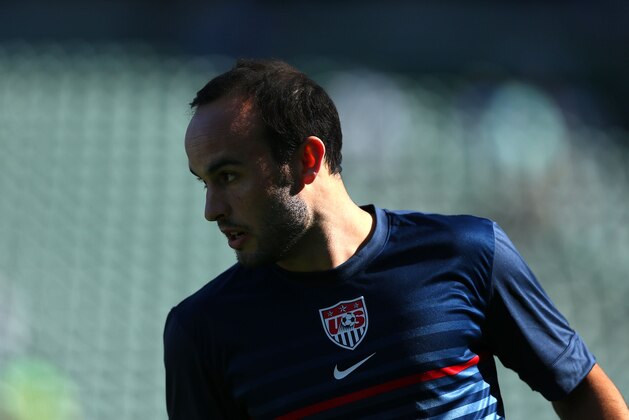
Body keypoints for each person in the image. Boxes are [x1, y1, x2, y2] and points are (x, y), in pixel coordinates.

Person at [163, 59, 628, 419]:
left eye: (228, 176)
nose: (212, 210)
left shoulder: (467, 252)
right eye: (204, 182)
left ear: (307, 159)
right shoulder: (202, 332)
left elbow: (584, 392)